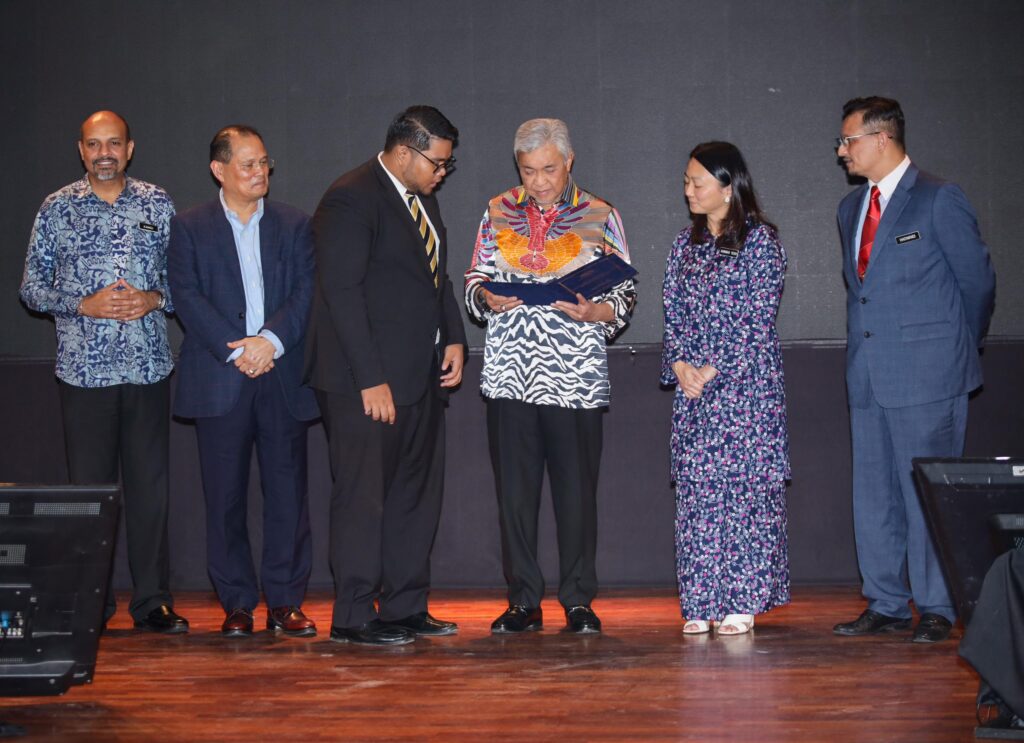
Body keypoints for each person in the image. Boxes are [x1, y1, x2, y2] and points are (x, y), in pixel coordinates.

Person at [831, 97, 996, 643]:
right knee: (874, 494)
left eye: (849, 140)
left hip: (930, 375)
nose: (842, 151)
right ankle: (885, 602)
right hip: (868, 376)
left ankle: (938, 606)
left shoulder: (938, 198)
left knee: (927, 494)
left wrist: (954, 350)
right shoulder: (850, 209)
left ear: (882, 138)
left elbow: (977, 283)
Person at [465, 118, 636, 635]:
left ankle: (578, 600)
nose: (538, 181)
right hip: (509, 375)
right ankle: (523, 600)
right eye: (528, 170)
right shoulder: (496, 211)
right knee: (515, 497)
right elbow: (473, 280)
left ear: (569, 161)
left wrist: (596, 312)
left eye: (549, 169)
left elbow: (625, 294)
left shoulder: (602, 214)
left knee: (576, 495)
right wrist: (485, 297)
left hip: (574, 378)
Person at [20, 110, 187, 634]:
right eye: (94, 145)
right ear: (81, 150)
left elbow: (185, 280)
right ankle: (89, 600)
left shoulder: (157, 203)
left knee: (150, 492)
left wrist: (154, 298)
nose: (104, 153)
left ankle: (153, 601)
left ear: (129, 149)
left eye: (114, 143)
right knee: (87, 496)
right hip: (84, 373)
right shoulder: (56, 208)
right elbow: (31, 288)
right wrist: (81, 304)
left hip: (147, 369)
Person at [305, 105, 466, 646]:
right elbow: (342, 294)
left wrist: (454, 337)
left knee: (413, 495)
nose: (442, 173)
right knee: (363, 498)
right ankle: (352, 614)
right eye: (437, 163)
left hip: (419, 375)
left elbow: (435, 278)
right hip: (364, 382)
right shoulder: (350, 198)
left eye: (446, 164)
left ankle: (405, 605)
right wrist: (369, 378)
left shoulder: (422, 200)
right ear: (403, 152)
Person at [167, 125, 318, 638]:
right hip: (221, 376)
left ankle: (285, 602)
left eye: (264, 163)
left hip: (281, 373)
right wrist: (239, 350)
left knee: (287, 494)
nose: (260, 173)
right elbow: (186, 296)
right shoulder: (189, 227)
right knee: (224, 498)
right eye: (248, 164)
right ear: (219, 170)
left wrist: (268, 342)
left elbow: (306, 292)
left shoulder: (295, 224)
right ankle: (236, 603)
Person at [660, 141, 791, 636]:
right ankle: (700, 600)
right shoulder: (684, 245)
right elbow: (672, 312)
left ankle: (742, 600)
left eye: (697, 182)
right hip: (694, 393)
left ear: (728, 186)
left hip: (745, 392)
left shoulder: (761, 242)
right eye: (686, 182)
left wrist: (711, 369)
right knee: (698, 496)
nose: (688, 190)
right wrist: (680, 365)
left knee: (745, 494)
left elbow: (757, 321)